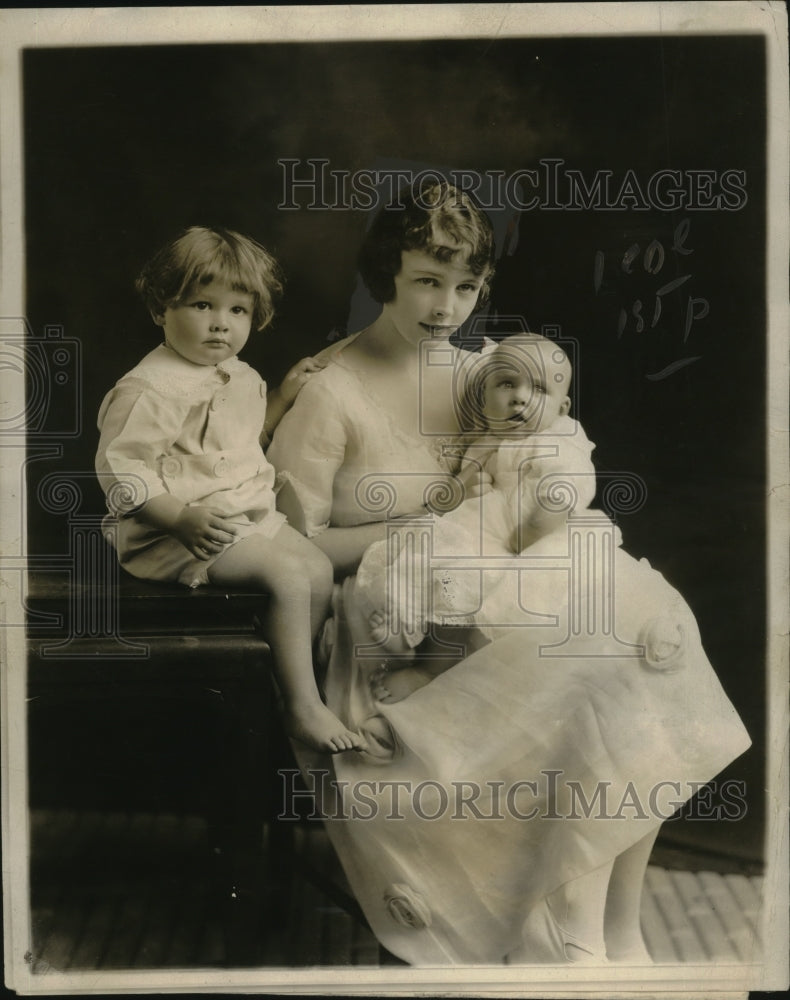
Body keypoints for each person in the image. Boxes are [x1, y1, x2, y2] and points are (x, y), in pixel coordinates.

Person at [267, 181, 751, 965]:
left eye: (466, 287)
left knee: (639, 622)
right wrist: (433, 515)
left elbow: (541, 472)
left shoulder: (486, 372)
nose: (446, 306)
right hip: (402, 620)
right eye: (426, 280)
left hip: (504, 578)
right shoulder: (331, 392)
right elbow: (298, 551)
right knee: (591, 662)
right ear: (384, 274)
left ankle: (612, 928)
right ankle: (567, 938)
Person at [95, 226, 365, 754]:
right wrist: (176, 517)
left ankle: (287, 684)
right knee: (289, 574)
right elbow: (122, 471)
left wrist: (283, 397)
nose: (221, 323)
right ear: (160, 310)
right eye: (202, 304)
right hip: (173, 534)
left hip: (236, 516)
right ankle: (301, 706)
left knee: (314, 566)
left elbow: (238, 443)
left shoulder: (237, 374)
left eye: (238, 310)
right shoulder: (150, 389)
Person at [356, 333, 601, 703]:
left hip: (531, 540)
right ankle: (400, 617)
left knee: (465, 578)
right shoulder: (487, 438)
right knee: (426, 548)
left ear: (561, 409)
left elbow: (569, 485)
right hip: (483, 528)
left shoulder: (559, 441)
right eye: (506, 383)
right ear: (486, 398)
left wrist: (535, 528)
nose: (519, 396)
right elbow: (460, 484)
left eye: (537, 389)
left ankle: (431, 669)